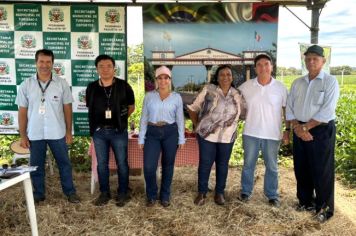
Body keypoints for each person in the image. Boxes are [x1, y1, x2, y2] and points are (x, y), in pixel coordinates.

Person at [16, 49, 80, 204]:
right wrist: (23, 135)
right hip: (35, 133)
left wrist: (68, 131)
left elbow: (67, 109)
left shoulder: (61, 83)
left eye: (48, 62)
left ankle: (70, 192)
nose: (44, 65)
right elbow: (22, 112)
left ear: (52, 63)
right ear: (35, 63)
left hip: (57, 132)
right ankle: (38, 194)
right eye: (41, 61)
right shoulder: (26, 85)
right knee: (36, 166)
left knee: (64, 164)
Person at [286, 45, 339, 223]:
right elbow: (290, 107)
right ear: (304, 60)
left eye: (315, 58)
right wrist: (297, 127)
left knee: (322, 170)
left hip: (321, 130)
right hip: (299, 129)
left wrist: (305, 128)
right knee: (301, 168)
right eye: (308, 58)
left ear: (323, 61)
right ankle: (305, 202)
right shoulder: (297, 82)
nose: (311, 61)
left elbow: (327, 110)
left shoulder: (330, 82)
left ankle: (324, 209)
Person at [188, 64, 243, 206]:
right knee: (205, 164)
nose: (225, 77)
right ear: (217, 77)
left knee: (223, 165)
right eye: (222, 74)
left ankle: (219, 193)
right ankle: (202, 192)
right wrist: (197, 125)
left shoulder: (237, 94)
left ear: (232, 77)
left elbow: (243, 114)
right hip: (207, 136)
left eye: (228, 74)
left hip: (227, 136)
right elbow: (193, 108)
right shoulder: (208, 90)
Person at [238, 54, 288, 208]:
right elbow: (235, 105)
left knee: (272, 166)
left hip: (272, 134)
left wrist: (288, 130)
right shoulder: (245, 87)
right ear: (255, 68)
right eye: (259, 65)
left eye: (266, 64)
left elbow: (287, 111)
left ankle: (272, 195)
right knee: (248, 165)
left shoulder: (281, 88)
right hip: (251, 133)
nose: (263, 67)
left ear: (272, 66)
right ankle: (246, 192)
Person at [86, 54, 135, 207]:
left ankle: (123, 193)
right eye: (101, 66)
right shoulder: (92, 87)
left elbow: (131, 107)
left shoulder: (123, 86)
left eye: (109, 66)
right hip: (99, 132)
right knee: (102, 164)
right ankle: (104, 193)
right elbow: (90, 107)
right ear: (97, 69)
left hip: (118, 131)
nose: (105, 69)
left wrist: (119, 120)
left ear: (114, 68)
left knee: (122, 163)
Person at [138, 66, 185, 207]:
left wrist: (181, 138)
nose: (163, 80)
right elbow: (144, 118)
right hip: (152, 133)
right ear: (156, 80)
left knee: (168, 166)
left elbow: (180, 119)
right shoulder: (149, 96)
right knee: (148, 167)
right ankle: (151, 195)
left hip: (170, 132)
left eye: (166, 78)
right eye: (160, 77)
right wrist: (141, 138)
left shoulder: (177, 97)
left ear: (170, 80)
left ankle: (165, 196)